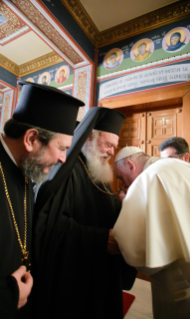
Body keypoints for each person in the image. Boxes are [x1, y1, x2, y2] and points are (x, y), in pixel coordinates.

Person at [32, 107, 137, 319]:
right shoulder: (66, 170)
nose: (110, 152)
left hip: (102, 274)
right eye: (107, 144)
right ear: (89, 137)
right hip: (74, 280)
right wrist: (100, 240)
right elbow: (50, 224)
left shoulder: (99, 172)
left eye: (113, 147)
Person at [0, 80, 84, 319]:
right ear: (31, 139)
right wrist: (7, 298)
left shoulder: (25, 169)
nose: (63, 159)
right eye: (61, 148)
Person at [113, 146, 190, 319]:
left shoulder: (150, 178)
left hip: (184, 284)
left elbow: (140, 248)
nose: (123, 184)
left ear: (130, 165)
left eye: (121, 178)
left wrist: (126, 206)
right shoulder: (181, 166)